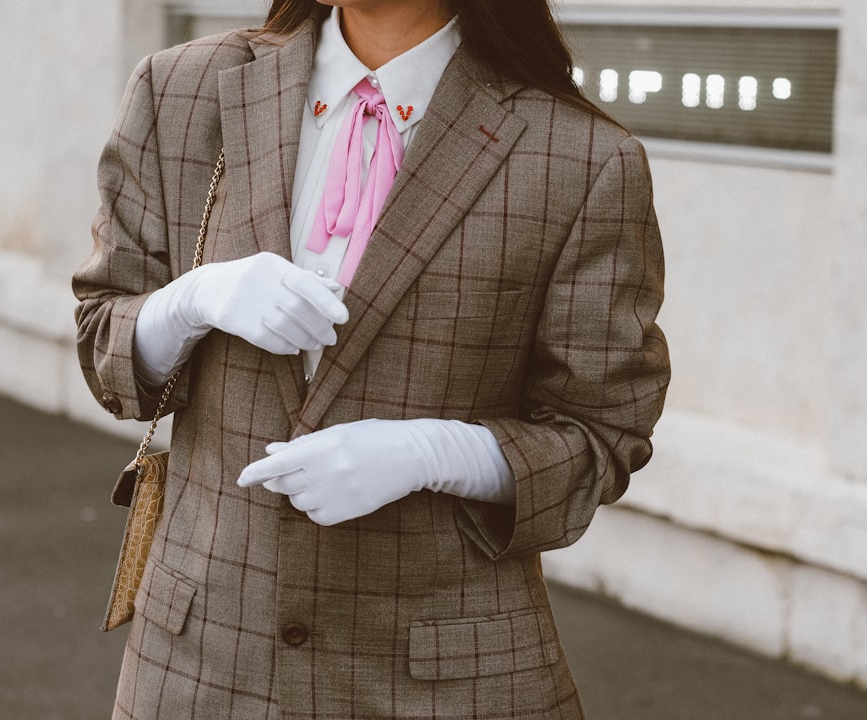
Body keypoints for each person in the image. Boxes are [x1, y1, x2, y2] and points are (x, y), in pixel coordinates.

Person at [73, 0, 669, 717]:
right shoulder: (183, 89)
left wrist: (437, 451)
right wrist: (192, 300)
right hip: (202, 664)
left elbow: (603, 435)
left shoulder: (580, 157)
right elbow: (102, 336)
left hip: (447, 679)